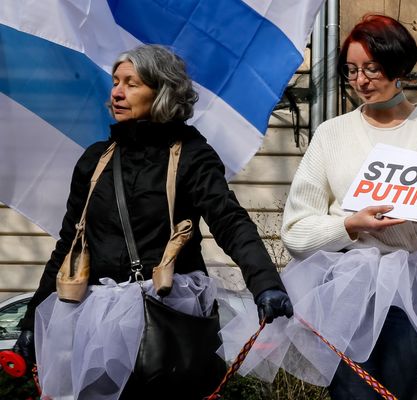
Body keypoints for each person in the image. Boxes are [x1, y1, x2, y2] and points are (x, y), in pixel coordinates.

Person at [219, 14, 417, 400]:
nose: (360, 81)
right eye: (351, 71)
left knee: (395, 390)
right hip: (342, 285)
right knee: (353, 394)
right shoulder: (332, 134)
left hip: (412, 286)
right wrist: (350, 225)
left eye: (372, 69)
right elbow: (295, 233)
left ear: (398, 68)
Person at [11, 44, 293, 399]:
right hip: (96, 327)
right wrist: (32, 324)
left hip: (167, 321)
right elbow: (69, 245)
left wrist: (266, 283)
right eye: (115, 81)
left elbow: (230, 222)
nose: (116, 91)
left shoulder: (192, 156)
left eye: (131, 83)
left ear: (162, 92)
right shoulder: (95, 161)